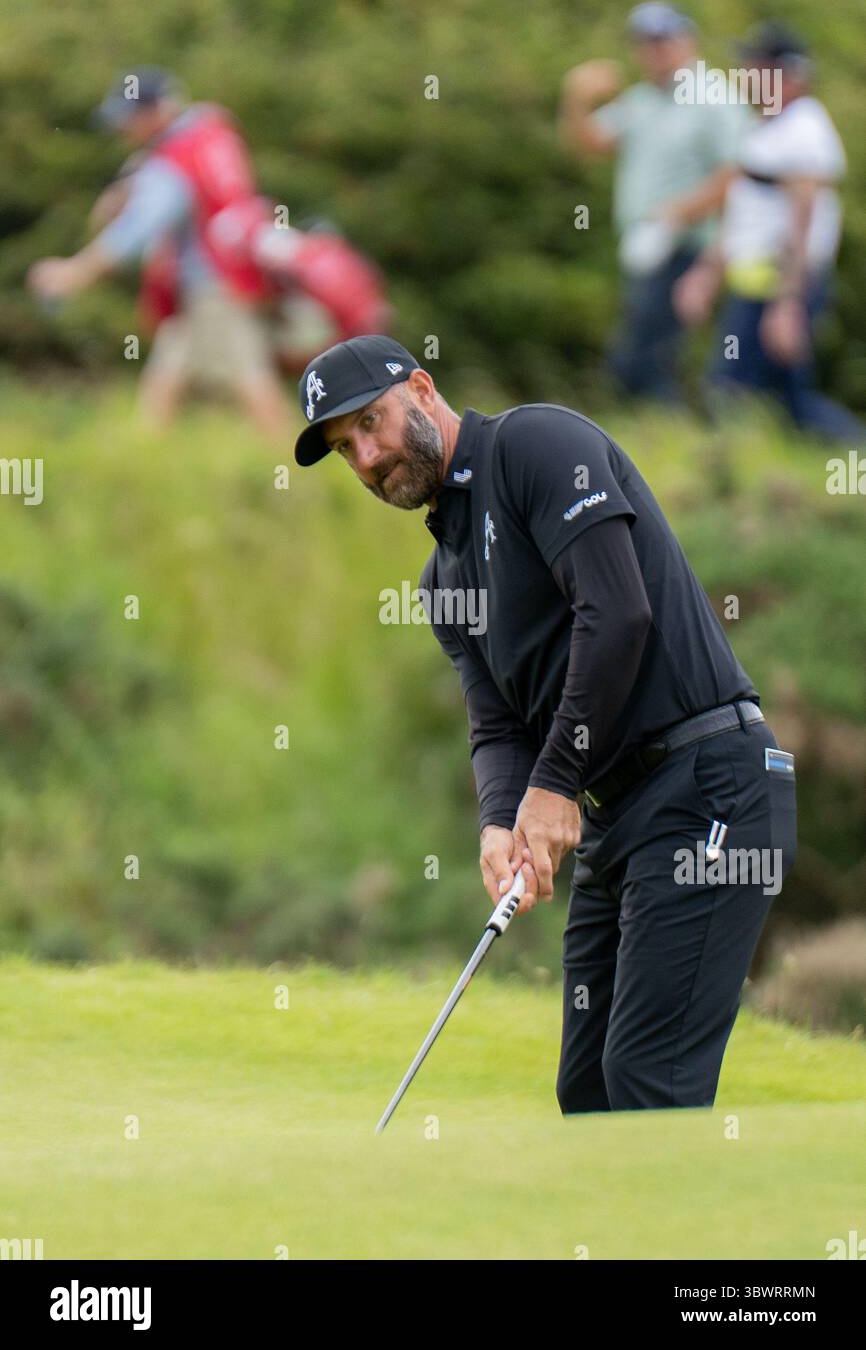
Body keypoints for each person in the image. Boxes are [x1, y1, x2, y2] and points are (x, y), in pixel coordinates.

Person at [294, 334, 799, 1113]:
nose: (364, 456)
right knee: (588, 1088)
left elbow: (617, 613)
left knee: (647, 1081)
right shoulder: (443, 578)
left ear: (422, 389)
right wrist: (500, 821)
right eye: (343, 447)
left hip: (710, 787)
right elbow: (497, 726)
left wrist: (556, 784)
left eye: (371, 422)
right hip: (620, 817)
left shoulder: (535, 445)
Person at [28, 68, 289, 440]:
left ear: (153, 113)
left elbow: (138, 229)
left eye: (127, 121)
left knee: (249, 378)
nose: (123, 132)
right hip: (223, 279)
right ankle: (141, 463)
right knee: (165, 378)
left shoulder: (175, 156)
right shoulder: (211, 134)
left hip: (215, 286)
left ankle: (292, 469)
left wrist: (75, 272)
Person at [674, 24, 866, 440]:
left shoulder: (805, 129)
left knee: (743, 392)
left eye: (757, 66)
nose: (745, 73)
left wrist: (788, 304)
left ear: (789, 74)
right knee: (770, 397)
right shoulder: (763, 126)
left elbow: (804, 221)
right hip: (756, 283)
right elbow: (742, 210)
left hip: (781, 283)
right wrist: (707, 273)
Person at [558, 2, 748, 405]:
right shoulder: (642, 100)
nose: (654, 51)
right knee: (643, 355)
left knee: (643, 358)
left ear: (687, 40)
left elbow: (736, 174)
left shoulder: (714, 97)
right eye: (646, 42)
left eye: (663, 40)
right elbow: (588, 142)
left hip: (686, 247)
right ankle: (669, 437)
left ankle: (674, 437)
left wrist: (675, 214)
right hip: (646, 248)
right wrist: (576, 97)